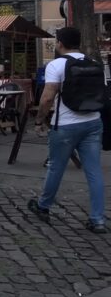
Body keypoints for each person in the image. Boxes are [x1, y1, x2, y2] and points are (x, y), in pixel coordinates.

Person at [30, 26, 107, 233]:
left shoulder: (56, 65)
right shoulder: (94, 63)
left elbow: (47, 98)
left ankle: (43, 206)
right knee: (94, 171)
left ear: (60, 43)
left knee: (56, 167)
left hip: (65, 124)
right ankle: (97, 219)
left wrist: (39, 120)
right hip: (93, 122)